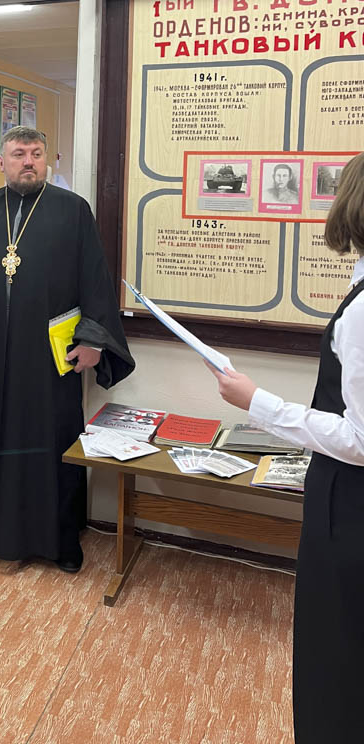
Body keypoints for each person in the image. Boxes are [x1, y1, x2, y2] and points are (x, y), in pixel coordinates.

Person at [207, 152, 364, 744]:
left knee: (336, 655)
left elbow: (360, 438)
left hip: (350, 505)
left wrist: (259, 403)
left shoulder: (363, 312)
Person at [0, 127, 135, 572]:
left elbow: (95, 278)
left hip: (48, 356)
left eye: (36, 153)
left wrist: (93, 338)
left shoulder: (72, 211)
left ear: (48, 159)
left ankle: (57, 537)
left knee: (50, 441)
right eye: (18, 154)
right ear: (1, 162)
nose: (28, 161)